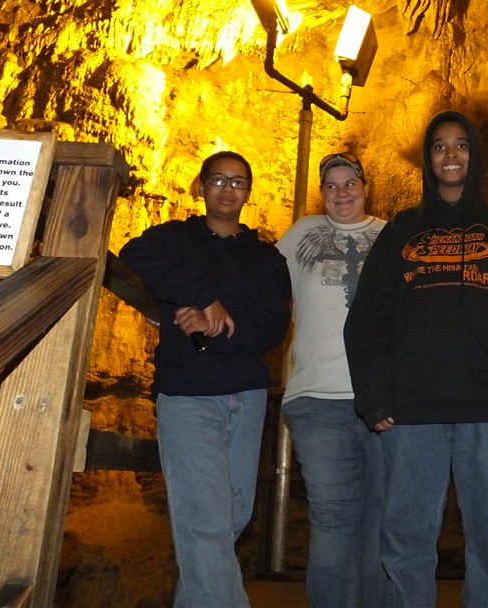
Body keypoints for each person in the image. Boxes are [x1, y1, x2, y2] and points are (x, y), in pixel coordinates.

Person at [344, 111, 488, 608]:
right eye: (440, 146)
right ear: (428, 158)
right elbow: (368, 319)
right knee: (406, 536)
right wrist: (374, 395)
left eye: (461, 144)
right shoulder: (402, 229)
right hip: (413, 408)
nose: (451, 155)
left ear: (475, 153)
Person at [119, 150, 291, 608]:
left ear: (248, 193)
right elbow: (133, 256)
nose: (227, 189)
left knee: (230, 515)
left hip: (246, 394)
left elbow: (273, 326)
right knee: (205, 522)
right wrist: (200, 297)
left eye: (237, 182)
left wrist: (218, 325)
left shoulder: (267, 259)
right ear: (201, 186)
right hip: (189, 393)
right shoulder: (173, 239)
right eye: (218, 179)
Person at [276, 152, 392, 608]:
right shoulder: (301, 234)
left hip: (384, 400)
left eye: (350, 183)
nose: (341, 192)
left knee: (383, 519)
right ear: (322, 192)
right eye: (331, 185)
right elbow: (259, 285)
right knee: (332, 517)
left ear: (365, 187)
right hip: (317, 398)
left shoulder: (391, 235)